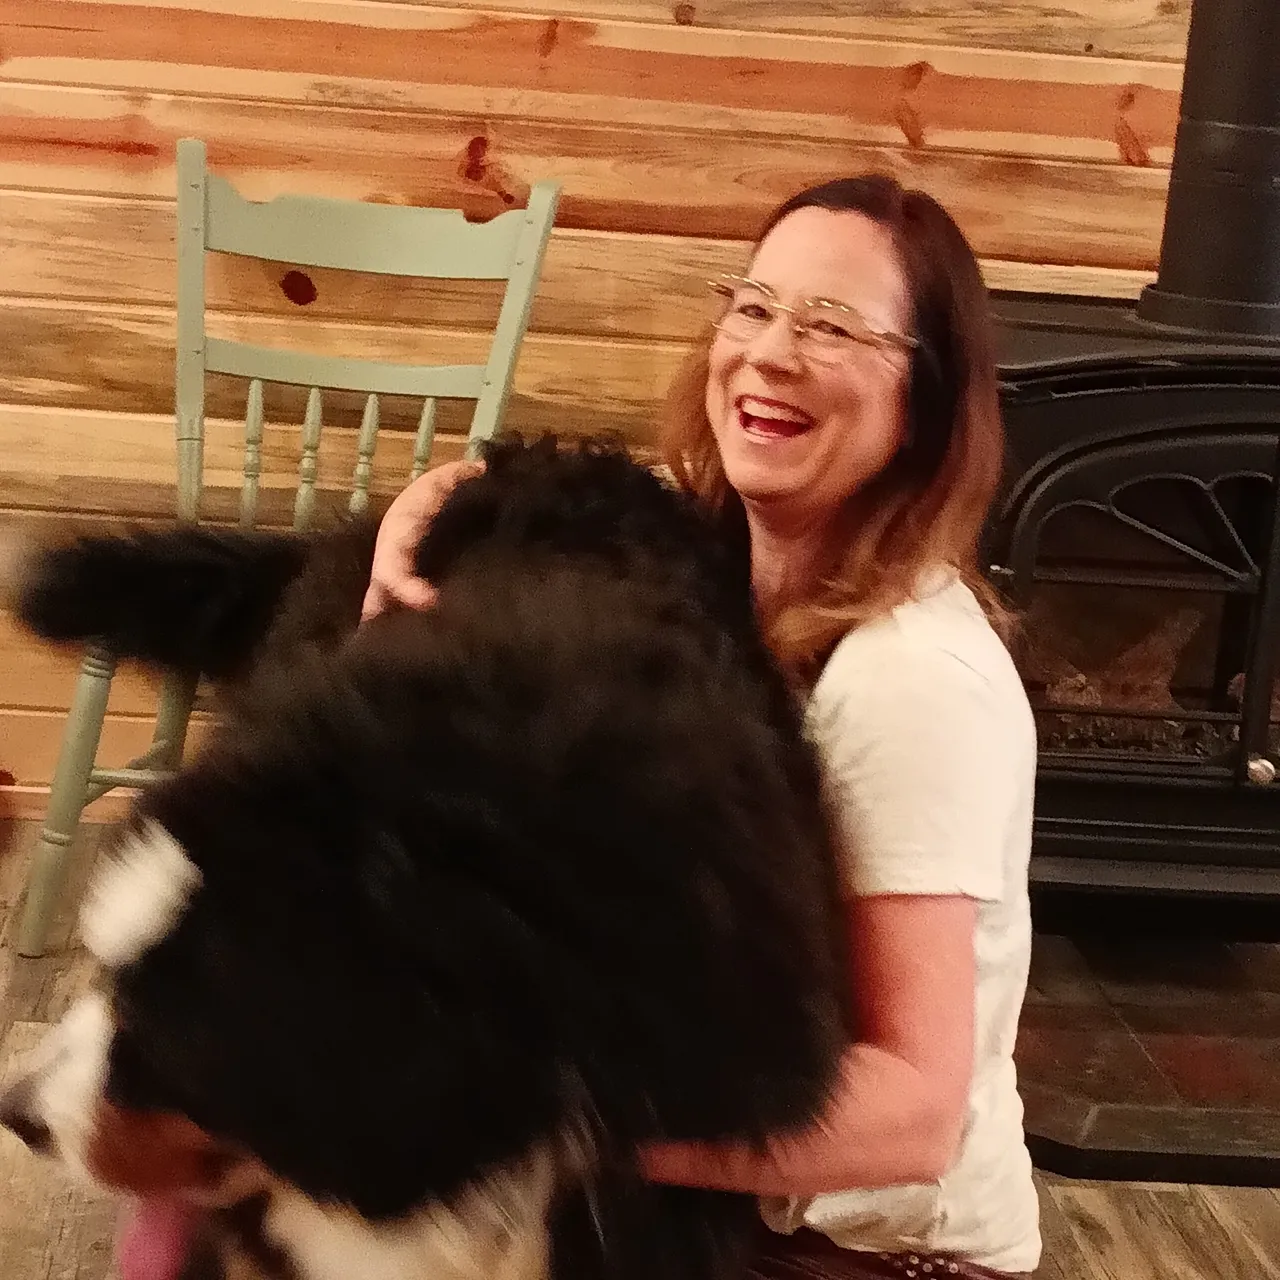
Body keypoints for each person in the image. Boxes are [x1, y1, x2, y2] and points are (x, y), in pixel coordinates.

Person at [363, 174, 1041, 1280]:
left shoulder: (912, 678)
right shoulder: (716, 568)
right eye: (753, 306)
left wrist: (526, 1116)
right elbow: (541, 489)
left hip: (861, 1262)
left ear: (922, 397)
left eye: (830, 327)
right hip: (718, 1218)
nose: (770, 352)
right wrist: (425, 508)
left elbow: (911, 1114)